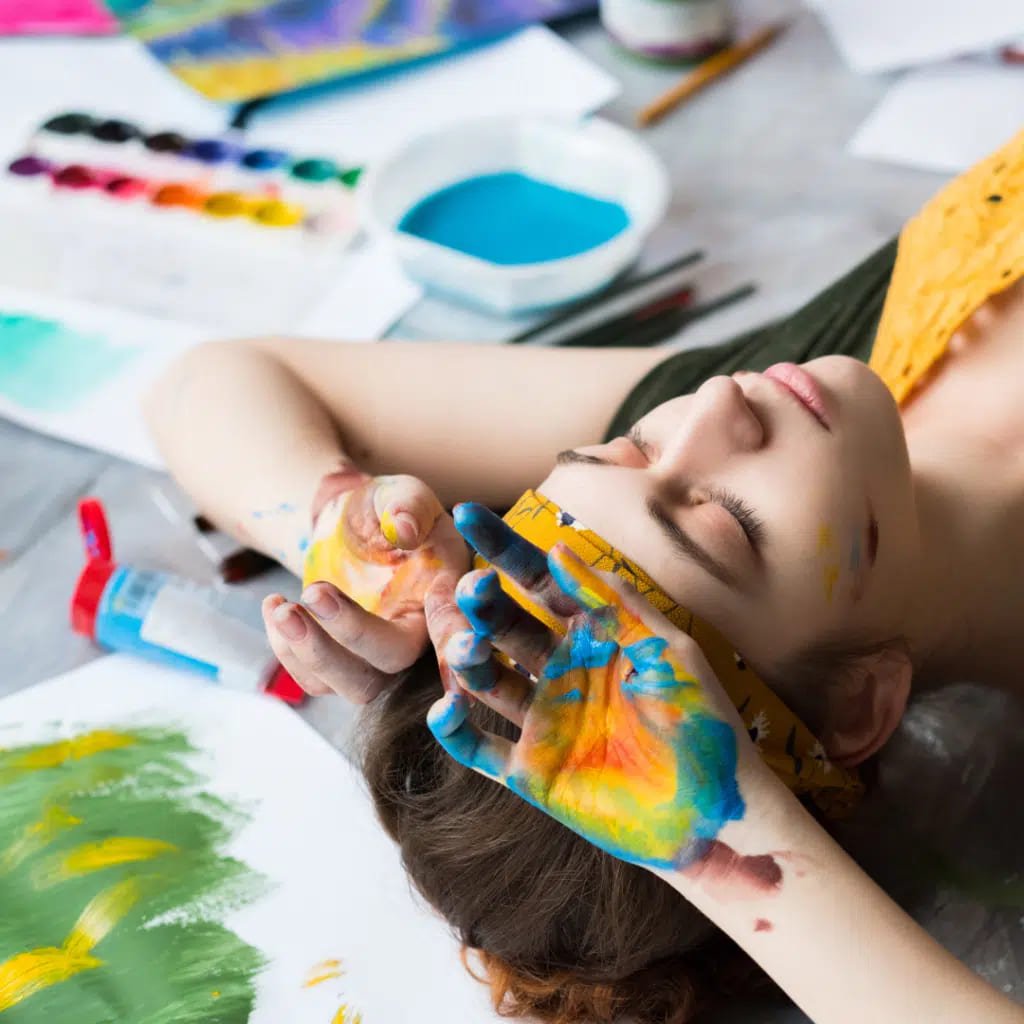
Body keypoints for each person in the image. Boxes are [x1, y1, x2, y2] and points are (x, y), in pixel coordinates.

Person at [146, 129, 1024, 1021]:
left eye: (625, 448)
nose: (717, 403)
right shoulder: (804, 415)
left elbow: (212, 379)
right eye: (727, 521)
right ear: (860, 705)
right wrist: (730, 858)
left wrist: (339, 525)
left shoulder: (793, 383)